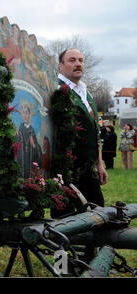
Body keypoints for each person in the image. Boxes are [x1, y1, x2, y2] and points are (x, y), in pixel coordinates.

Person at [56, 48, 108, 206]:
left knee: (99, 213)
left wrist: (99, 163)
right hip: (68, 174)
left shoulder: (87, 94)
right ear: (60, 66)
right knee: (69, 222)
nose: (78, 64)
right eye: (72, 60)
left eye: (80, 60)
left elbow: (96, 133)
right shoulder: (57, 91)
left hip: (88, 171)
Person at [16, 103, 42, 178]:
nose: (24, 115)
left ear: (30, 115)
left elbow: (38, 153)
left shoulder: (32, 131)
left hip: (30, 164)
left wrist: (34, 145)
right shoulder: (19, 130)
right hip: (21, 163)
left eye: (26, 113)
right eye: (23, 113)